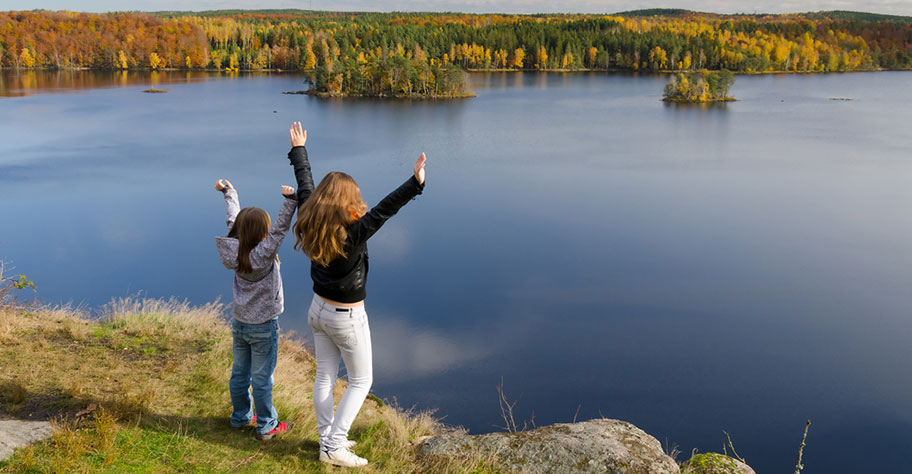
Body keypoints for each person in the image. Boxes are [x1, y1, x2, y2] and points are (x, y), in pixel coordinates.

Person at [285, 121, 426, 467]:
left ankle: (326, 441)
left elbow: (306, 185)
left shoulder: (310, 216)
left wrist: (299, 150)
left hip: (318, 311)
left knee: (324, 377)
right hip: (346, 318)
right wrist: (415, 183)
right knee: (362, 380)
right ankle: (334, 446)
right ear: (347, 201)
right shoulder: (353, 234)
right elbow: (384, 209)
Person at [214, 175, 297, 441]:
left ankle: (240, 417)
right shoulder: (263, 255)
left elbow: (233, 220)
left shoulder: (234, 251)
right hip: (264, 327)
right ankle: (266, 426)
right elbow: (280, 231)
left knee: (240, 374)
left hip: (240, 324)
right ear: (262, 234)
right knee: (262, 379)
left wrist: (230, 193)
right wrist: (290, 200)